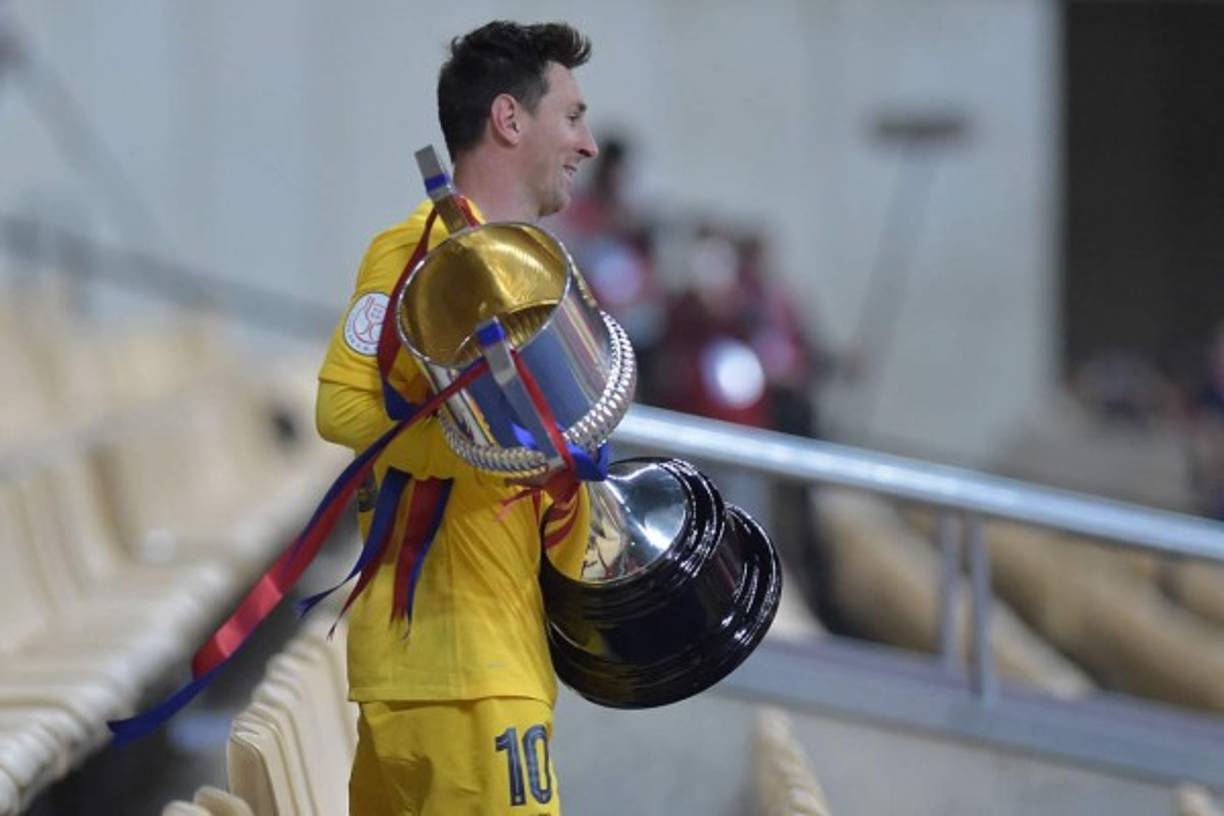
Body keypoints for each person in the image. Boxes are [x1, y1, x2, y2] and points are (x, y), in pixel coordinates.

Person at [315, 21, 599, 815]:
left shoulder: (528, 272)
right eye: (572, 117)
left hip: (478, 668)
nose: (589, 143)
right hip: (461, 679)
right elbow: (339, 403)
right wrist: (492, 451)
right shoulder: (416, 254)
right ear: (510, 120)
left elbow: (546, 469)